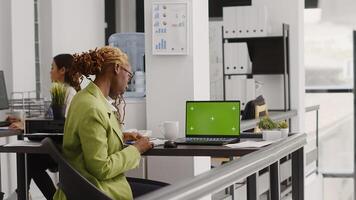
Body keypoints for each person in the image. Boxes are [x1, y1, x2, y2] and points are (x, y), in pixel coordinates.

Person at [53, 46, 154, 200]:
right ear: (117, 68)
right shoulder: (92, 107)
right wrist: (136, 149)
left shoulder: (86, 98)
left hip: (88, 185)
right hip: (96, 190)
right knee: (173, 193)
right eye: (129, 75)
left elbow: (92, 138)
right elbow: (101, 168)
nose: (128, 83)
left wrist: (120, 136)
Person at [11, 54, 80, 200]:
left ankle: (22, 194)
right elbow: (49, 120)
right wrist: (25, 123)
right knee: (30, 159)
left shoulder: (69, 93)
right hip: (54, 144)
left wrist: (26, 126)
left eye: (52, 67)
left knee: (30, 160)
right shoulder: (61, 91)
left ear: (62, 70)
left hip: (63, 147)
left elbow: (60, 126)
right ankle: (24, 193)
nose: (50, 71)